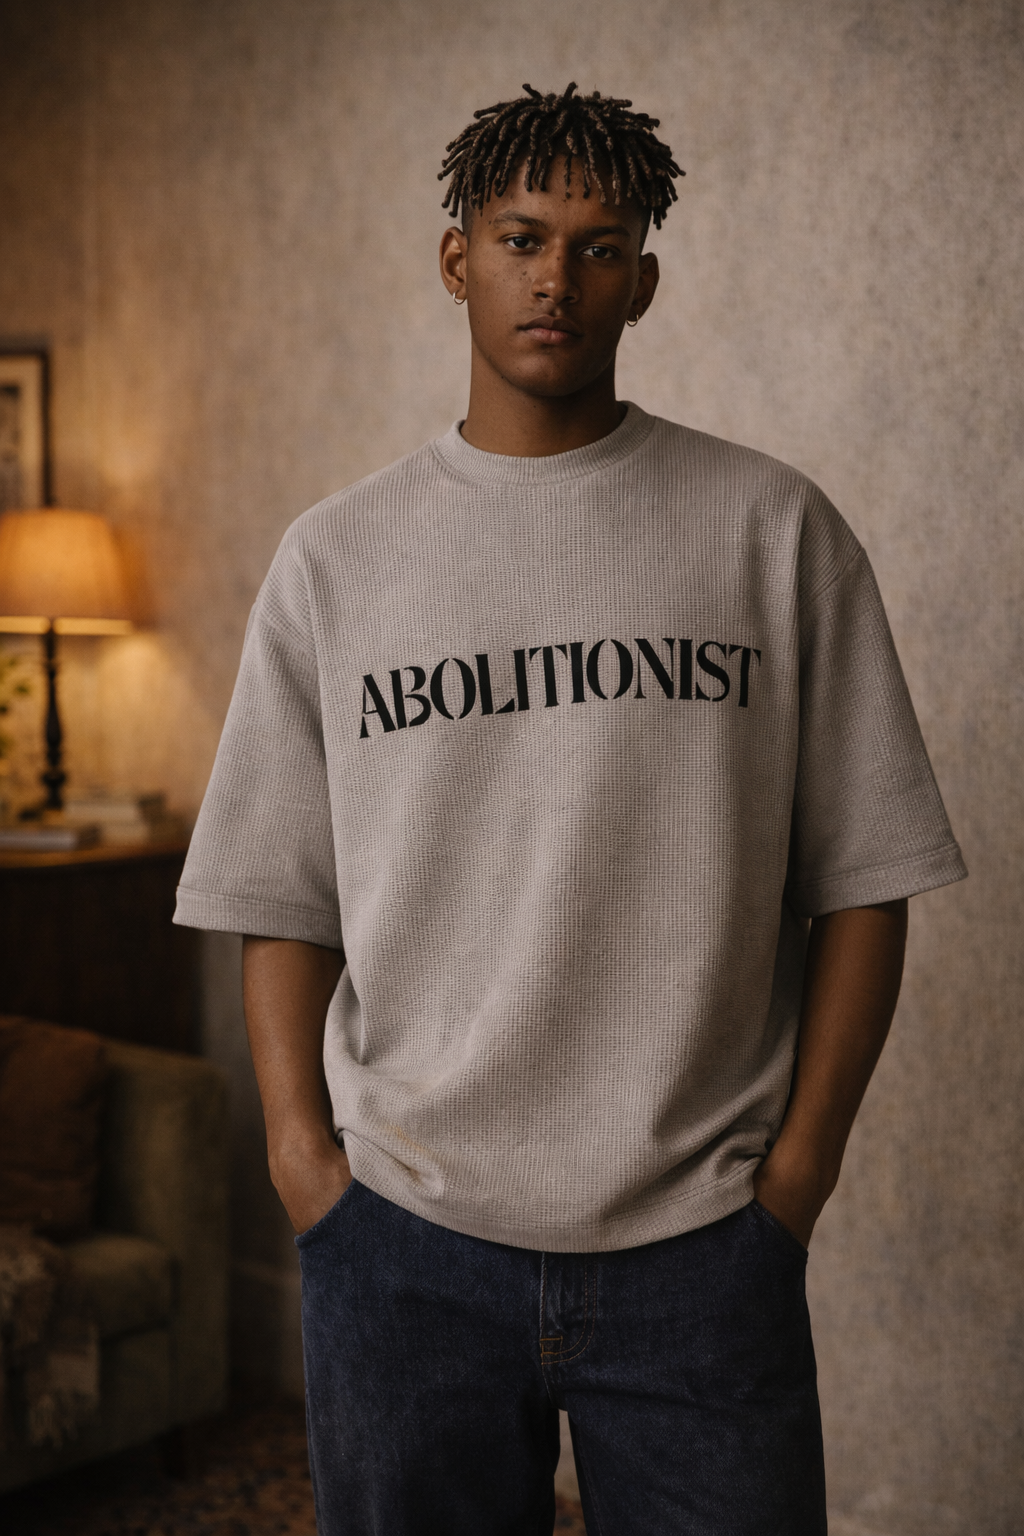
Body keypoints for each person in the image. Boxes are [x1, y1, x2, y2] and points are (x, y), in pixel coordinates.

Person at [175, 82, 966, 1536]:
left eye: (600, 247)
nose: (557, 277)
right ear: (455, 257)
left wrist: (794, 1181)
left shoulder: (772, 532)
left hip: (699, 1247)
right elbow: (281, 895)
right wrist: (309, 1170)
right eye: (522, 236)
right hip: (403, 1241)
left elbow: (869, 877)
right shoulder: (336, 562)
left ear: (644, 281)